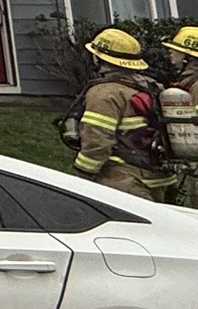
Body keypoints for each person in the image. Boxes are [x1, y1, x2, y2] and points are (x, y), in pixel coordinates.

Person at [73, 28, 178, 201]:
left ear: (99, 58)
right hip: (161, 180)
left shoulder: (104, 93)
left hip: (124, 181)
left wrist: (84, 174)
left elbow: (97, 139)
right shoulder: (153, 86)